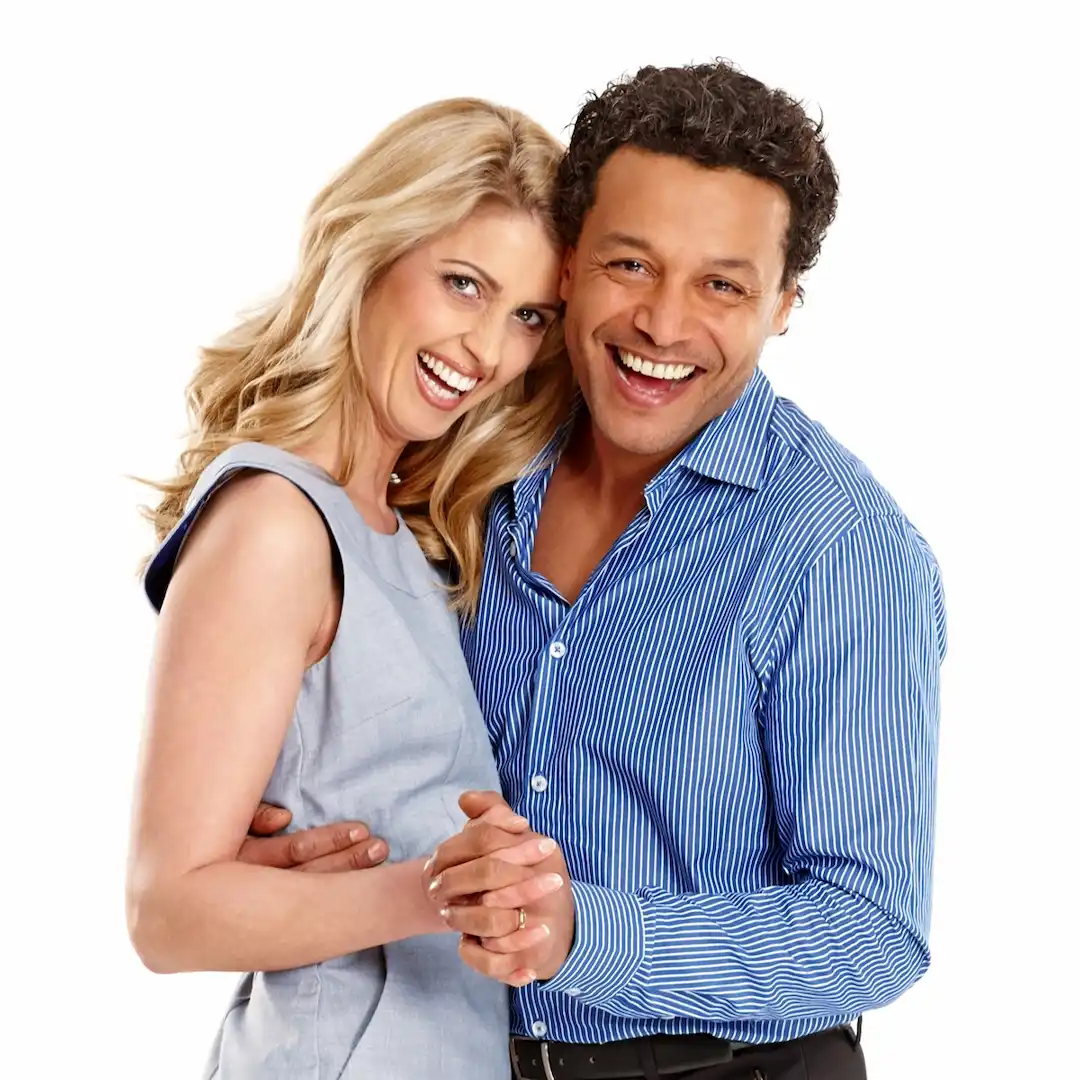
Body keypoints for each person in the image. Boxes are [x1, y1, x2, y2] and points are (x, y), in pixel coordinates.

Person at [253, 61, 947, 1079]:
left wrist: (588, 933)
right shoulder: (466, 459)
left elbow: (873, 928)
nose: (663, 325)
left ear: (784, 306)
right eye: (631, 264)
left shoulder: (839, 549)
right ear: (570, 263)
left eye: (722, 284)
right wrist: (279, 851)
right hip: (444, 1048)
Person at [127, 97, 576, 1080]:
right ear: (370, 249)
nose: (488, 351)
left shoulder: (396, 527)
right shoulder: (276, 524)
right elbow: (165, 913)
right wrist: (433, 895)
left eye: (529, 317)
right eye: (463, 283)